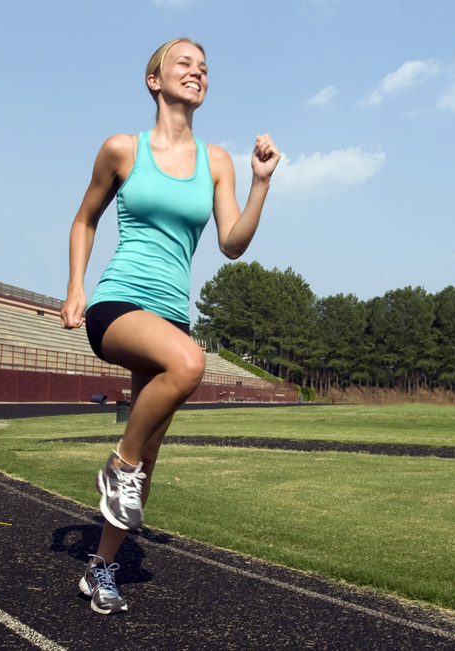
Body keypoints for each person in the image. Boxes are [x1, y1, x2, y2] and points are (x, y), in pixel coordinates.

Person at [60, 37, 280, 615]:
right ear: (154, 79)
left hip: (170, 314)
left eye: (204, 68)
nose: (196, 72)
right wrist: (76, 286)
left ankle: (101, 567)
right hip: (117, 305)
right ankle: (117, 465)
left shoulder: (217, 161)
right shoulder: (122, 149)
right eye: (184, 63)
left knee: (150, 453)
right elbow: (85, 221)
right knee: (188, 363)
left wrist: (260, 183)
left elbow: (232, 244)